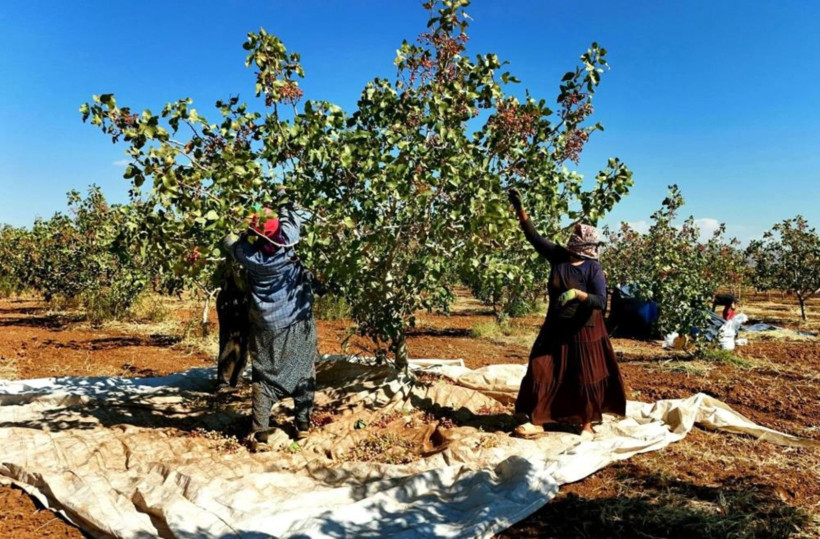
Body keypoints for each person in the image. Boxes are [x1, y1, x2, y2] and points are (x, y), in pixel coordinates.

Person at [508, 188, 626, 439]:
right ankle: (538, 420)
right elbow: (534, 237)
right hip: (556, 327)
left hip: (585, 331)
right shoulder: (558, 257)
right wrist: (520, 209)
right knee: (541, 368)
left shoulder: (593, 268)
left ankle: (586, 423)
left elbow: (600, 302)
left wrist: (577, 294)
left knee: (584, 376)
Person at [223, 197, 317, 450]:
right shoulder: (287, 243)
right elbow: (290, 216)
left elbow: (228, 241)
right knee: (304, 370)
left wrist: (246, 229)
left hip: (266, 324)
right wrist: (283, 199)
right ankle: (302, 426)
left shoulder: (250, 256)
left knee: (264, 374)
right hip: (299, 319)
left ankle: (261, 435)